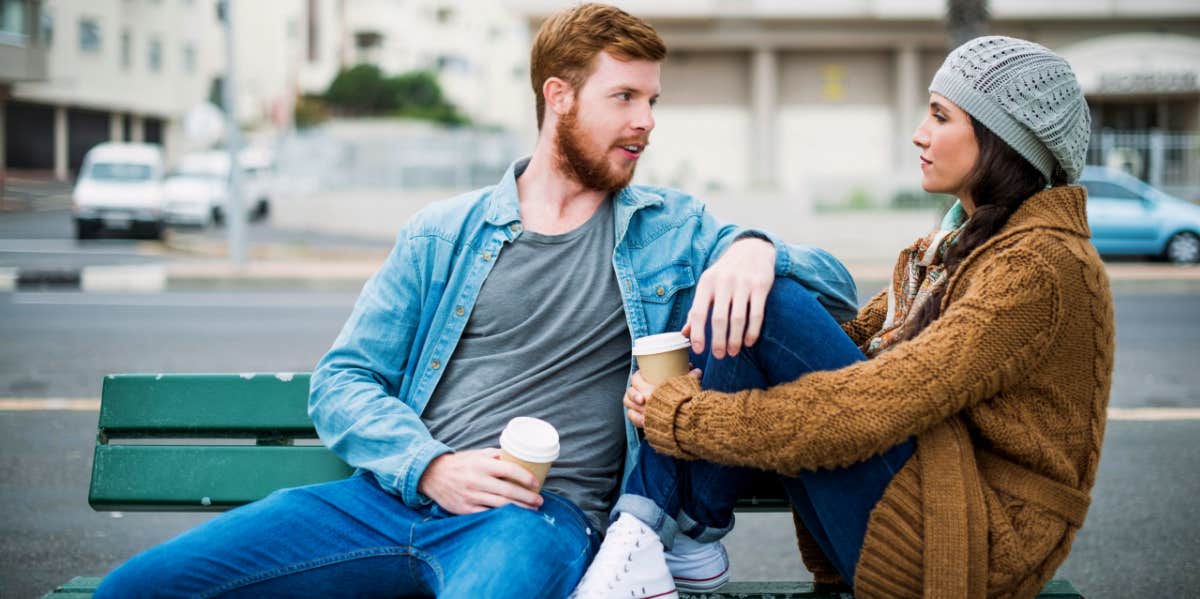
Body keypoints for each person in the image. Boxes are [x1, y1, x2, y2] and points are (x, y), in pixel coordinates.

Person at [92, 4, 857, 598]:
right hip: (391, 500)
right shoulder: (441, 233)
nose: (646, 122)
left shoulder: (669, 228)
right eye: (624, 97)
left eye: (652, 100)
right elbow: (343, 379)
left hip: (539, 519)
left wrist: (758, 247)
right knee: (134, 587)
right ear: (558, 97)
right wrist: (429, 466)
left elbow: (831, 288)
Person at [574, 35, 1114, 599]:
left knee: (769, 302)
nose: (919, 133)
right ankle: (680, 535)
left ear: (1002, 139)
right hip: (933, 499)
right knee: (745, 306)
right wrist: (677, 388)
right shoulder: (953, 247)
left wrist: (684, 419)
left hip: (970, 544)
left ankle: (659, 530)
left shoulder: (1039, 266)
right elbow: (849, 343)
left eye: (939, 115)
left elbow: (872, 400)